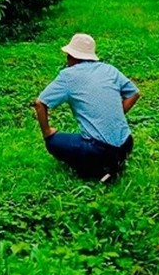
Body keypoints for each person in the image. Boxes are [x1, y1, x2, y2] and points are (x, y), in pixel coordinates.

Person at [33, 32, 140, 181]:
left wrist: (47, 132)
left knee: (53, 141)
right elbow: (134, 93)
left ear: (72, 56)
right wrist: (116, 114)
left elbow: (40, 104)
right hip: (127, 144)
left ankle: (97, 173)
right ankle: (115, 163)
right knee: (105, 149)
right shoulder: (109, 69)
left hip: (99, 150)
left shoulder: (68, 76)